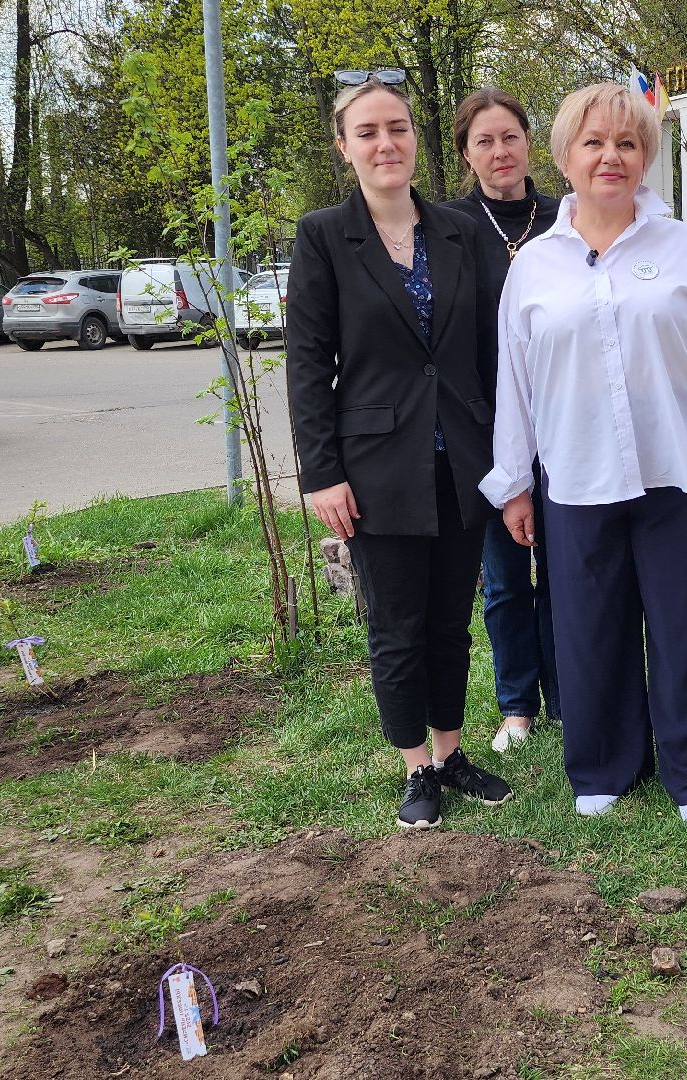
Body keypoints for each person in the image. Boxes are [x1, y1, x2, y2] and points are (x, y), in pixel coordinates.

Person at [482, 83, 687, 830]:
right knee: (588, 624)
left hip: (678, 468)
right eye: (594, 142)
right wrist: (514, 484)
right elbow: (515, 382)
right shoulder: (534, 265)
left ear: (646, 157)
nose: (611, 156)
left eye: (628, 143)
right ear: (566, 156)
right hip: (574, 474)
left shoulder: (682, 248)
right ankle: (606, 762)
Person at [285, 70, 511, 830]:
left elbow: (491, 354)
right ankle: (415, 766)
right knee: (397, 626)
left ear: (417, 138)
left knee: (452, 620)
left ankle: (451, 753)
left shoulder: (463, 231)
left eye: (399, 128)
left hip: (462, 462)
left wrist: (504, 461)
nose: (387, 143)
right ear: (344, 146)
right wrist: (321, 473)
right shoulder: (324, 237)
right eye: (369, 131)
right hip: (376, 468)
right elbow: (309, 363)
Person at [441, 89, 564, 753]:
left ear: (529, 141)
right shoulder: (451, 227)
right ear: (467, 153)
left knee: (568, 573)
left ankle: (570, 696)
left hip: (569, 423)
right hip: (487, 428)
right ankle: (517, 704)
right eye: (484, 141)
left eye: (510, 137)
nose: (500, 152)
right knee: (506, 579)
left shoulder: (566, 218)